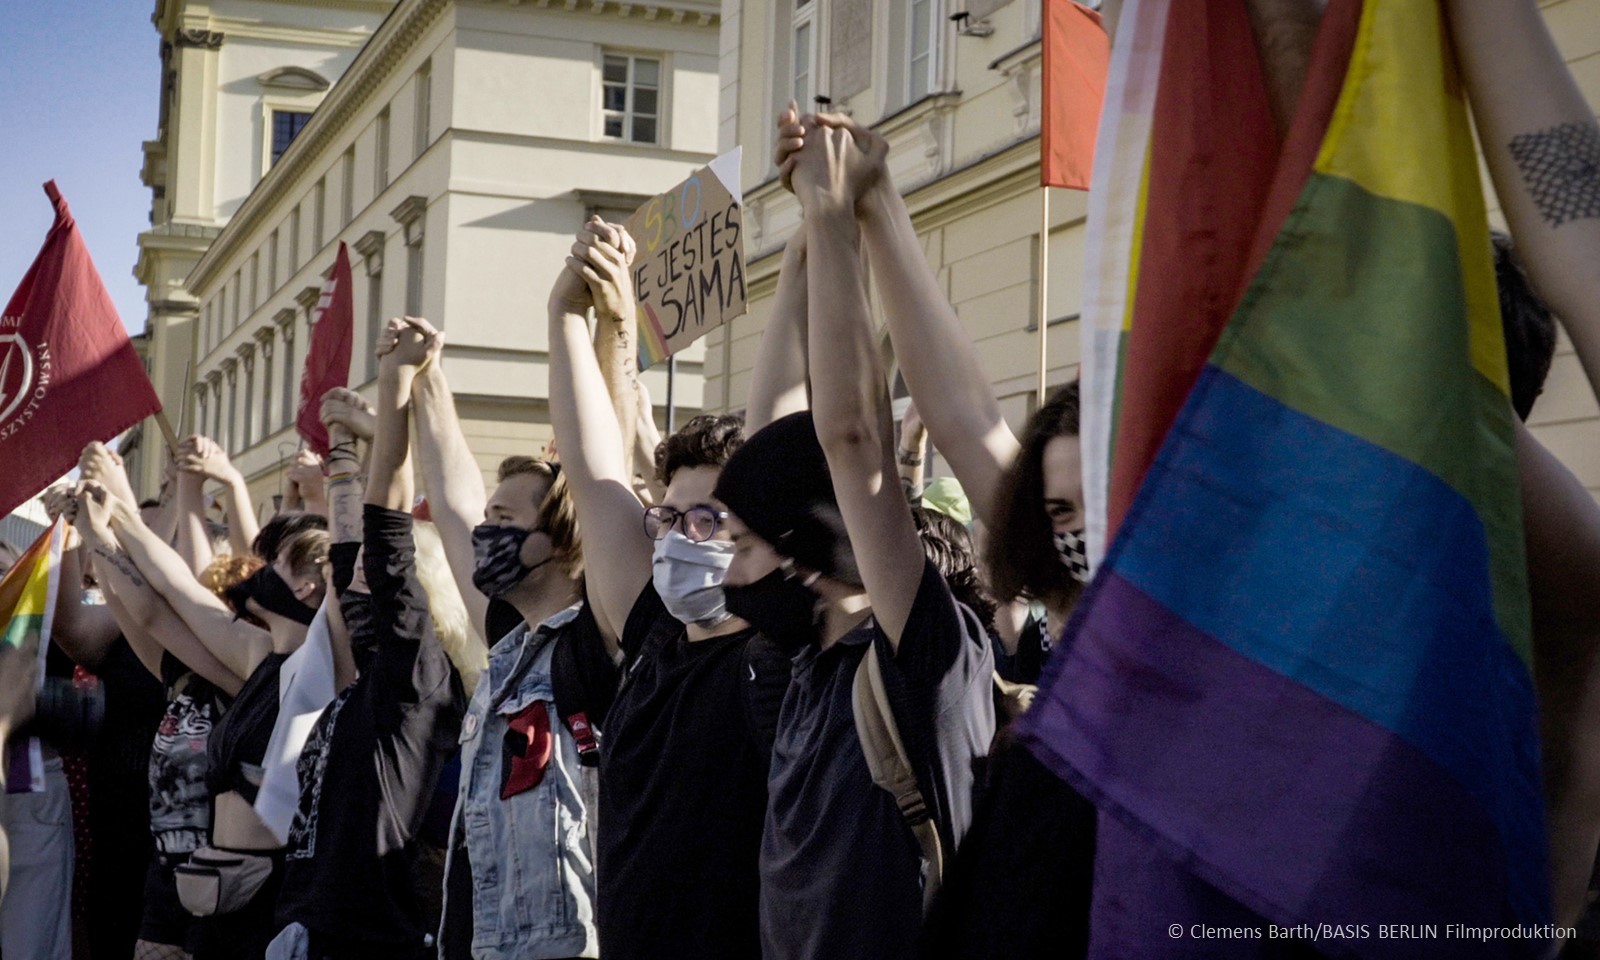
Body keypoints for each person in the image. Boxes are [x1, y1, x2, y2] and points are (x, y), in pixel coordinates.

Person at [548, 221, 792, 960]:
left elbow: (792, 414)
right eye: (674, 516)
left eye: (711, 517)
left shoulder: (779, 660)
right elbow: (594, 470)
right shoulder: (653, 633)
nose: (685, 536)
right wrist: (567, 314)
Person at [364, 313, 615, 960]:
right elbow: (451, 501)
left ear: (561, 542)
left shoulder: (600, 642)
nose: (484, 531)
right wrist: (428, 375)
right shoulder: (508, 641)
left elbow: (600, 478)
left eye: (504, 519)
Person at [270, 319, 466, 960]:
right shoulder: (369, 678)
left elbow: (382, 535)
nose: (351, 579)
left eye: (369, 578)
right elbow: (356, 544)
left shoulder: (413, 683)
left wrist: (395, 380)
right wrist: (341, 453)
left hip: (371, 943)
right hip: (311, 930)